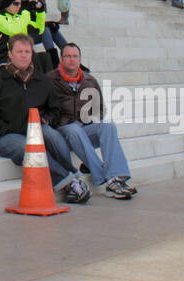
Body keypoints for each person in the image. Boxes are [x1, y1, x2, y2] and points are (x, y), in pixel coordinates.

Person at [0, 33, 89, 204]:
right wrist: (6, 128)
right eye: (19, 52)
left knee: (52, 135)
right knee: (29, 148)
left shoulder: (42, 80)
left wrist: (46, 119)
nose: (23, 55)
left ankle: (72, 176)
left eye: (27, 52)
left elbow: (56, 110)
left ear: (32, 54)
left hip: (36, 130)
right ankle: (68, 182)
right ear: (10, 54)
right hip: (9, 136)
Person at [47, 43, 136, 199]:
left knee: (107, 126)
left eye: (75, 56)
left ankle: (116, 176)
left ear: (80, 59)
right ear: (61, 59)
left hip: (84, 129)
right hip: (62, 131)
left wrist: (89, 119)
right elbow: (45, 108)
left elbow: (100, 109)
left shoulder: (89, 80)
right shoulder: (50, 80)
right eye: (68, 56)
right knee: (74, 130)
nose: (72, 60)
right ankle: (103, 178)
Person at [18, 0, 66, 68]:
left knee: (52, 29)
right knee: (45, 30)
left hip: (35, 30)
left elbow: (40, 21)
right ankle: (54, 63)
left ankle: (69, 55)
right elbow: (23, 21)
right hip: (23, 33)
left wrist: (49, 24)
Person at [0, 0, 39, 71]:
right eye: (16, 3)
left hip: (18, 53)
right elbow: (14, 31)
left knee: (41, 58)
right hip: (3, 56)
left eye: (20, 3)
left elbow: (39, 28)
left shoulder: (18, 17)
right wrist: (26, 14)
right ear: (7, 4)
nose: (19, 6)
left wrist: (40, 12)